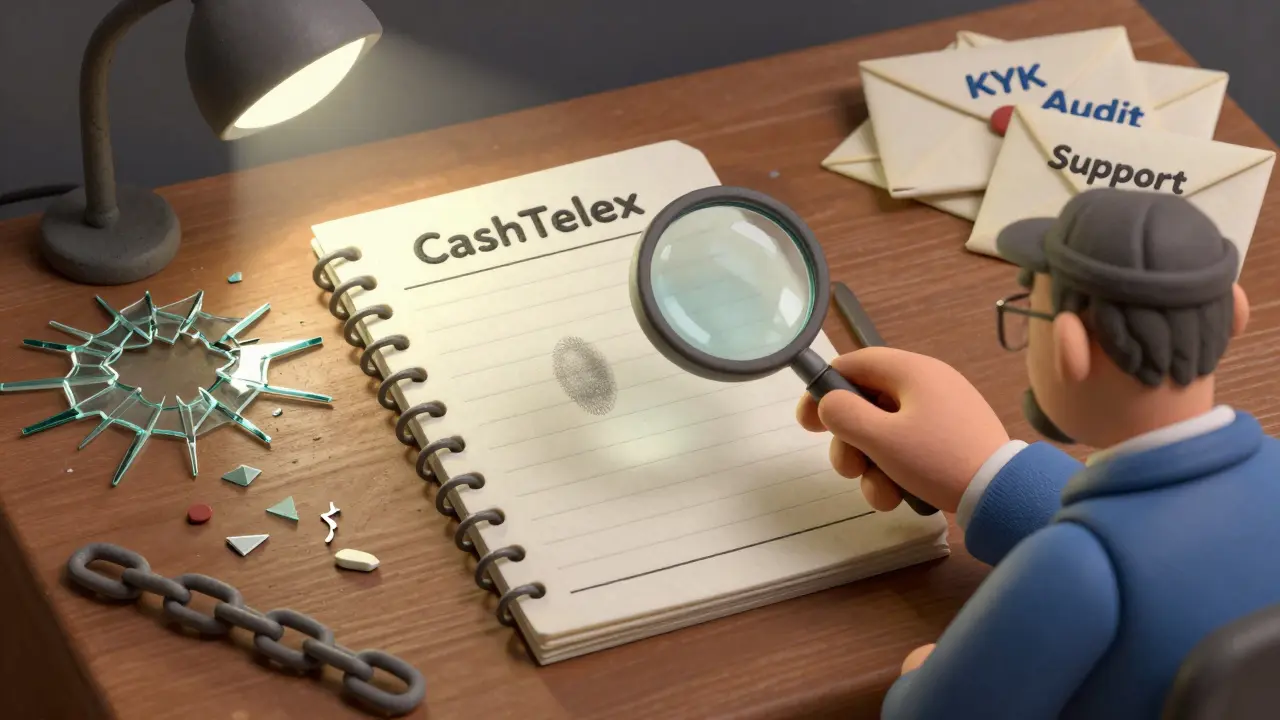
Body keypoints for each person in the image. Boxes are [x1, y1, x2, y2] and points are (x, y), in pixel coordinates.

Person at [797, 188, 1280, 719]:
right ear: (1234, 312)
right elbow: (1174, 565)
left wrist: (919, 683)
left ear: (1067, 345)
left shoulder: (1073, 567)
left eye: (1030, 314)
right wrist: (989, 472)